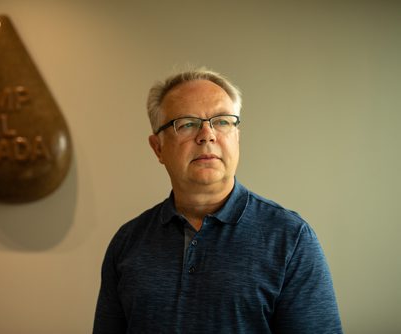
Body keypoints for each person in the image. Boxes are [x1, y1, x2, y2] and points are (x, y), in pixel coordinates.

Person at [93, 68, 343, 333]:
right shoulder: (127, 243)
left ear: (237, 137)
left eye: (222, 121)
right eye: (187, 123)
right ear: (158, 148)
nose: (207, 135)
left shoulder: (291, 239)